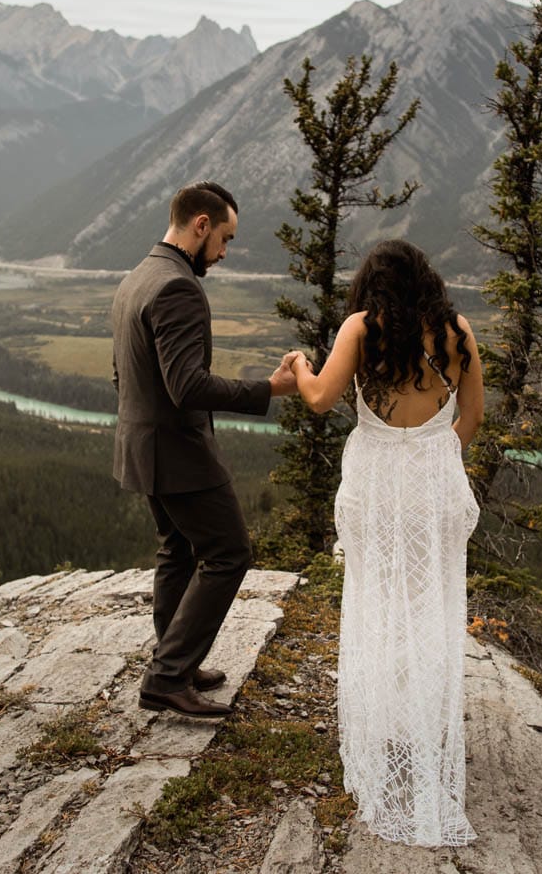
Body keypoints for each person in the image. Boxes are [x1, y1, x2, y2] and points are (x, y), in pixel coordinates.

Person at [287, 239, 484, 846]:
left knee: (375, 602)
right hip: (433, 486)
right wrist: (429, 453)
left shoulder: (361, 329)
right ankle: (421, 725)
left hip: (377, 488)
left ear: (372, 285)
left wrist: (297, 365)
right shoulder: (457, 333)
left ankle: (381, 729)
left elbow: (320, 399)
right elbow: (471, 420)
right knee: (428, 606)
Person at [111, 180, 299, 719]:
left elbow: (123, 372)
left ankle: (176, 663)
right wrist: (269, 388)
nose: (223, 253)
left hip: (140, 445)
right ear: (200, 225)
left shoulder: (136, 277)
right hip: (179, 452)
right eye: (225, 239)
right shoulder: (178, 287)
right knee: (229, 553)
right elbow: (187, 387)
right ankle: (168, 676)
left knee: (176, 550)